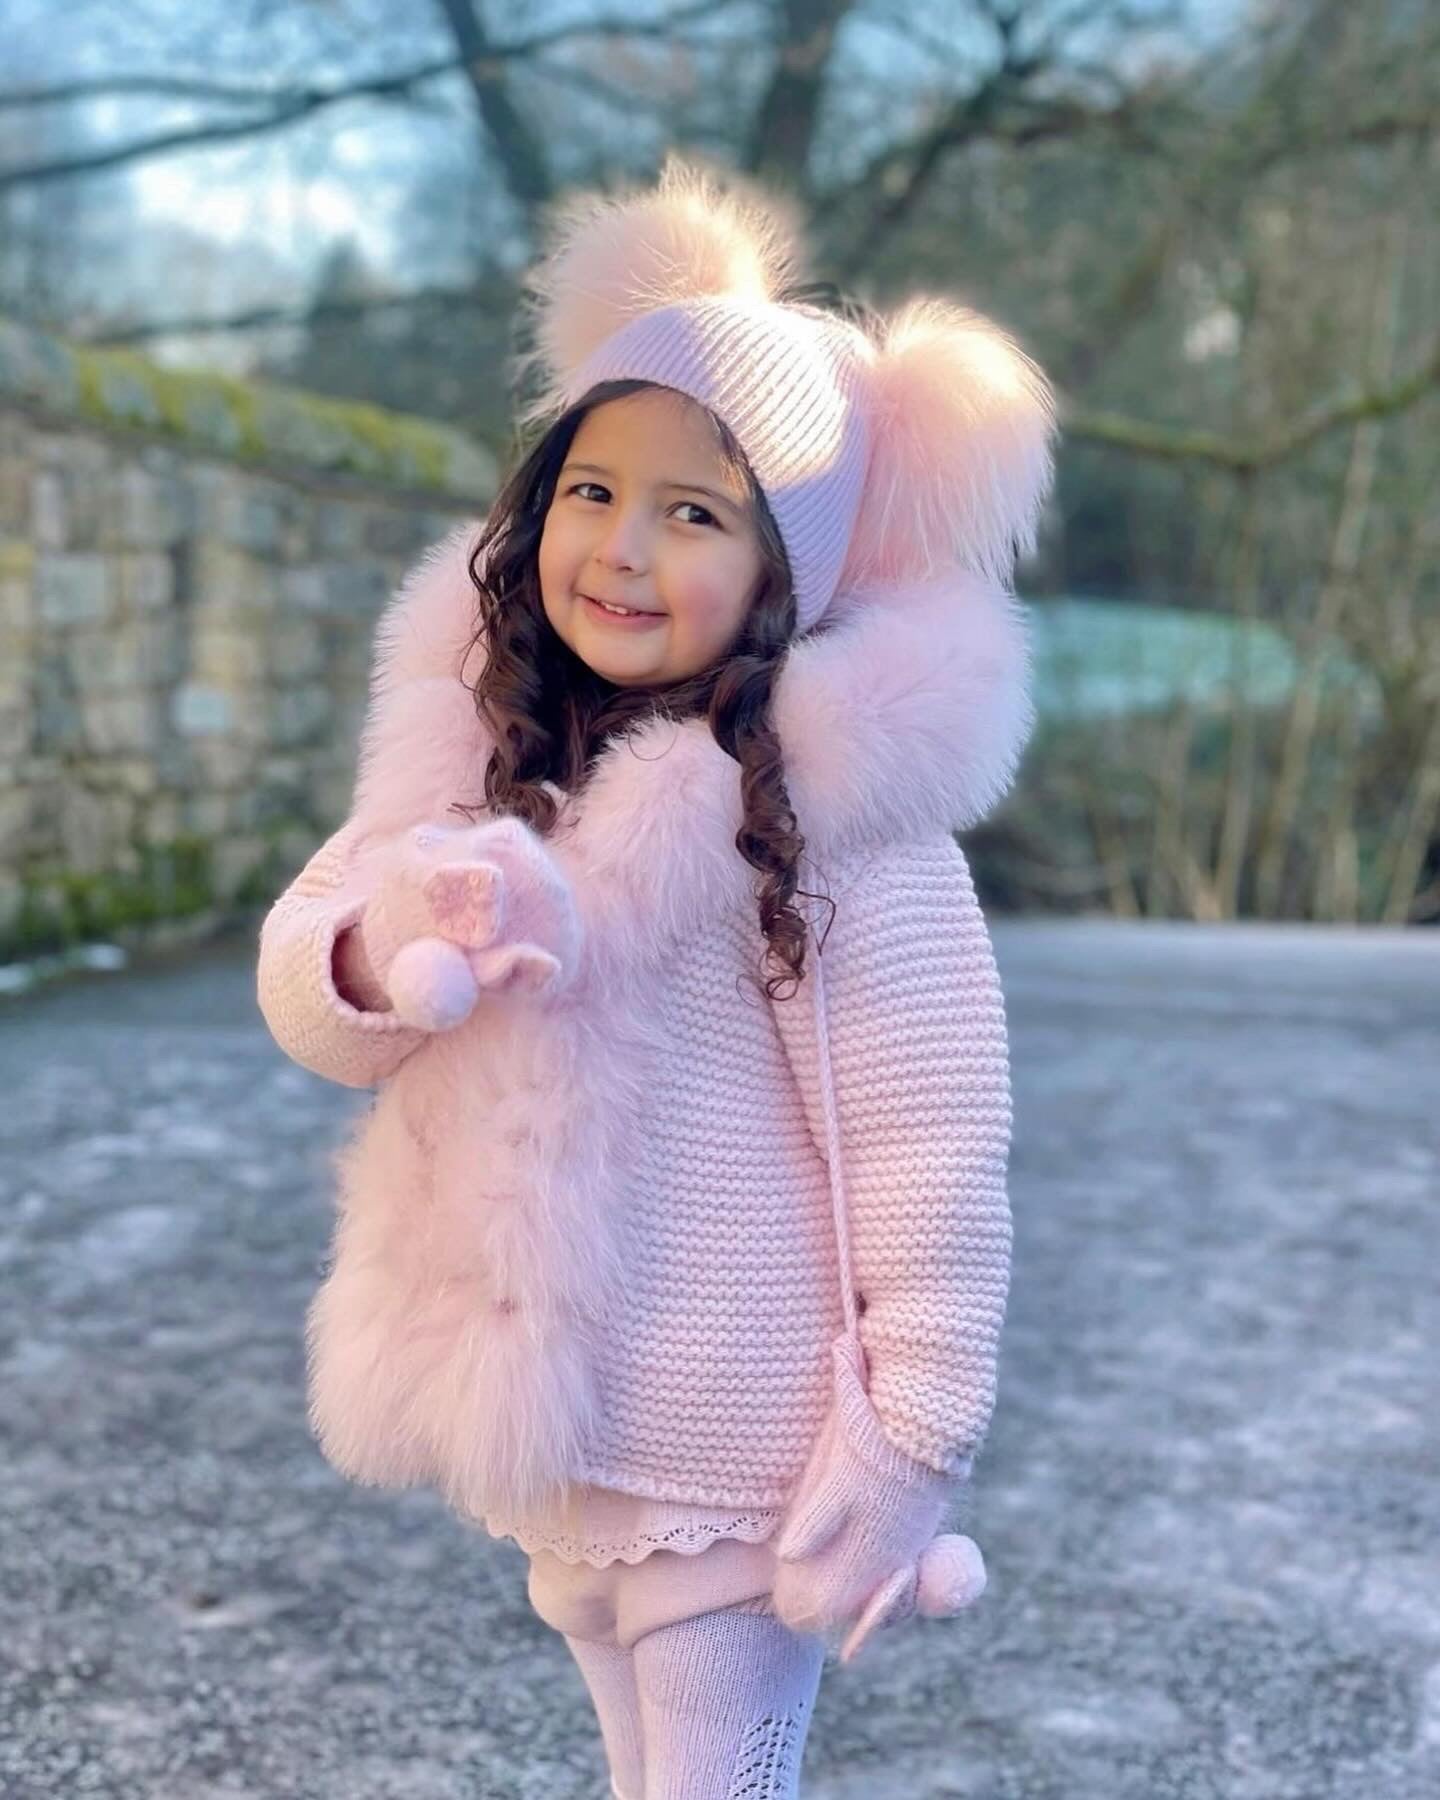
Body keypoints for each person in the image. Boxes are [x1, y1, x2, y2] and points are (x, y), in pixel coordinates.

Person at [255, 152, 1056, 1800]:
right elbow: (310, 983)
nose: (622, 547)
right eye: (594, 489)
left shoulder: (838, 825)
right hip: (565, 1415)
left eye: (695, 513)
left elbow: (931, 1146)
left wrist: (917, 1429)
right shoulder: (487, 754)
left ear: (782, 576)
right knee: (639, 1758)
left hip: (742, 1428)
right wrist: (396, 947)